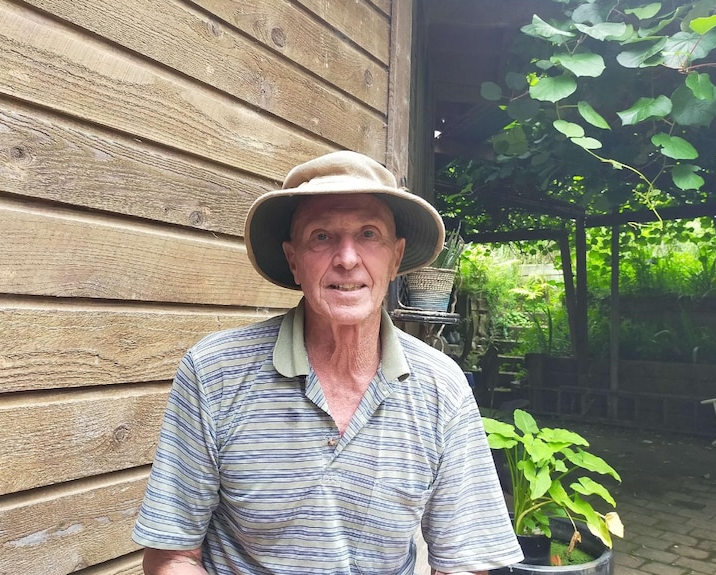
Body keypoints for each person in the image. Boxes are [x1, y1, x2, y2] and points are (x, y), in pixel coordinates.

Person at [132, 151, 523, 574]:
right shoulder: (214, 372)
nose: (348, 258)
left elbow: (463, 563)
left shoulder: (441, 387)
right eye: (321, 236)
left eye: (369, 234)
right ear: (293, 259)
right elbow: (172, 555)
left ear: (396, 258)